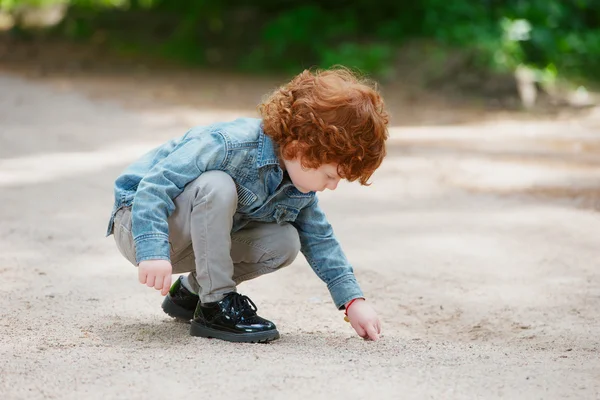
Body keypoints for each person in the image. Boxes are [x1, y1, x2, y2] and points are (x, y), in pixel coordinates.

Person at [107, 67, 389, 343]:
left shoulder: (297, 187)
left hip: (187, 244)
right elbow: (155, 185)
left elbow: (321, 239)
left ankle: (190, 293)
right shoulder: (229, 144)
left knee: (286, 241)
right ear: (301, 149)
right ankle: (215, 304)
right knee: (216, 185)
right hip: (140, 225)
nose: (332, 186)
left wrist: (352, 301)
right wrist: (153, 250)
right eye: (330, 175)